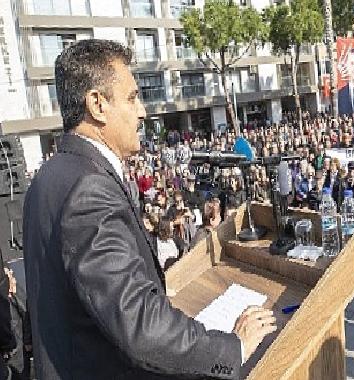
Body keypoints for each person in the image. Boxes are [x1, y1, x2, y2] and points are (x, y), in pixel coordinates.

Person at [23, 39, 276, 379]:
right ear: (97, 104)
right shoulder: (89, 188)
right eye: (131, 98)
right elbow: (140, 326)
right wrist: (234, 347)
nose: (142, 111)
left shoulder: (49, 176)